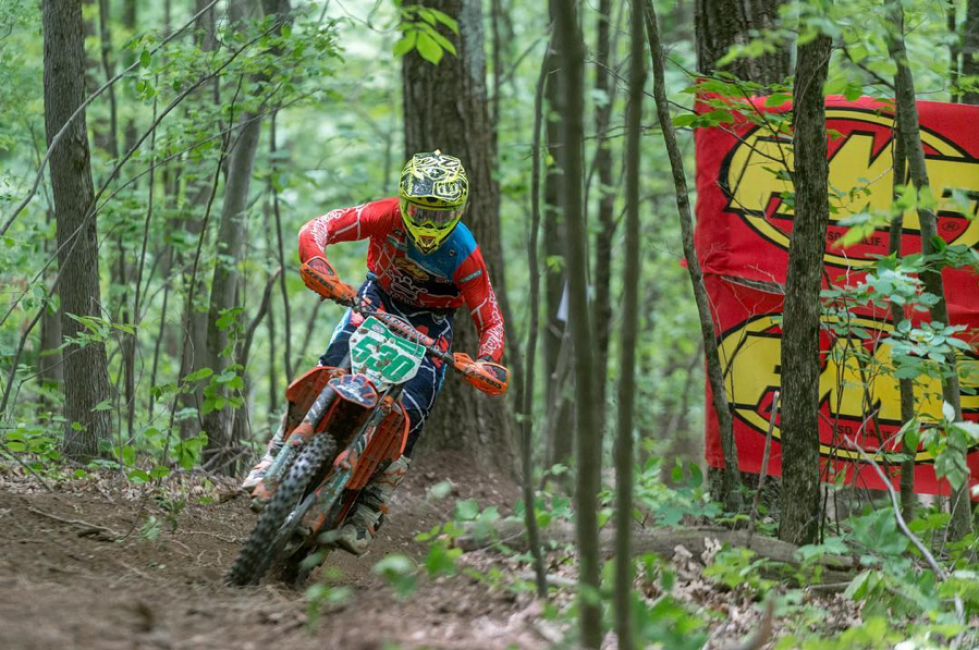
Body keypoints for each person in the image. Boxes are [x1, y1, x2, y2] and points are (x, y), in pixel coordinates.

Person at [242, 150, 509, 555]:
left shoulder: (464, 252)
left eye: (439, 216)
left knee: (412, 413)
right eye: (419, 212)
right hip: (375, 301)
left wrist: (486, 362)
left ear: (457, 212)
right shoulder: (384, 215)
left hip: (430, 327)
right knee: (328, 369)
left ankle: (369, 509)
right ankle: (274, 454)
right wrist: (318, 263)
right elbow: (320, 226)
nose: (427, 225)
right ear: (404, 201)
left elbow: (490, 318)